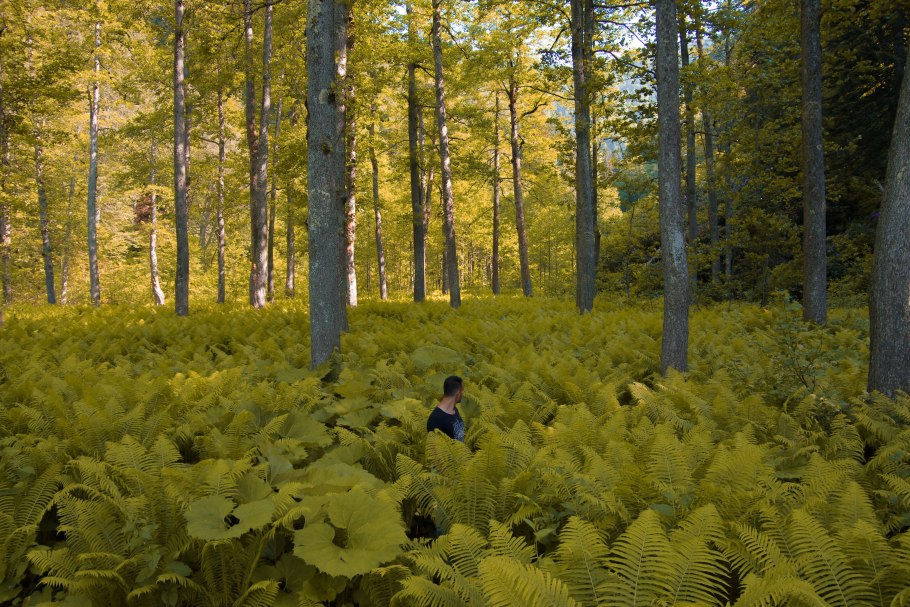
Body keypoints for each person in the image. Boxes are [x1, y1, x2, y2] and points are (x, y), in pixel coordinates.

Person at [426, 375, 465, 442]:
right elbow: (434, 449)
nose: (463, 393)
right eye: (462, 391)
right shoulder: (436, 419)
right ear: (458, 393)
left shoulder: (454, 410)